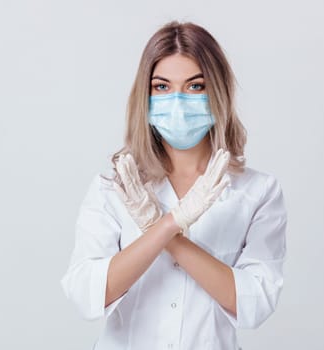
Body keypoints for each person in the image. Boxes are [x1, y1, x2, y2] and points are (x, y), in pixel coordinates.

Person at [61, 21, 287, 350]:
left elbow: (253, 304)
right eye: (162, 87)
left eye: (195, 86)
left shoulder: (258, 192)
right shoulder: (115, 188)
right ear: (146, 95)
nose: (178, 102)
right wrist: (168, 225)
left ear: (217, 93)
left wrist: (164, 227)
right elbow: (86, 295)